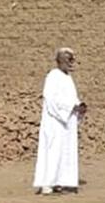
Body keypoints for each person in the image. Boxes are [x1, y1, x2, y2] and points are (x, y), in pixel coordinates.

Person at [34, 48, 86, 195]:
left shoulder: (68, 78)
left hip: (67, 123)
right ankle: (47, 184)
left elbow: (71, 98)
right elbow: (51, 100)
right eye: (68, 60)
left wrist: (79, 107)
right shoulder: (53, 76)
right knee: (53, 151)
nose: (71, 63)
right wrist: (71, 107)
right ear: (60, 61)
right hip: (55, 122)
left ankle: (60, 182)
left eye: (72, 60)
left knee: (65, 151)